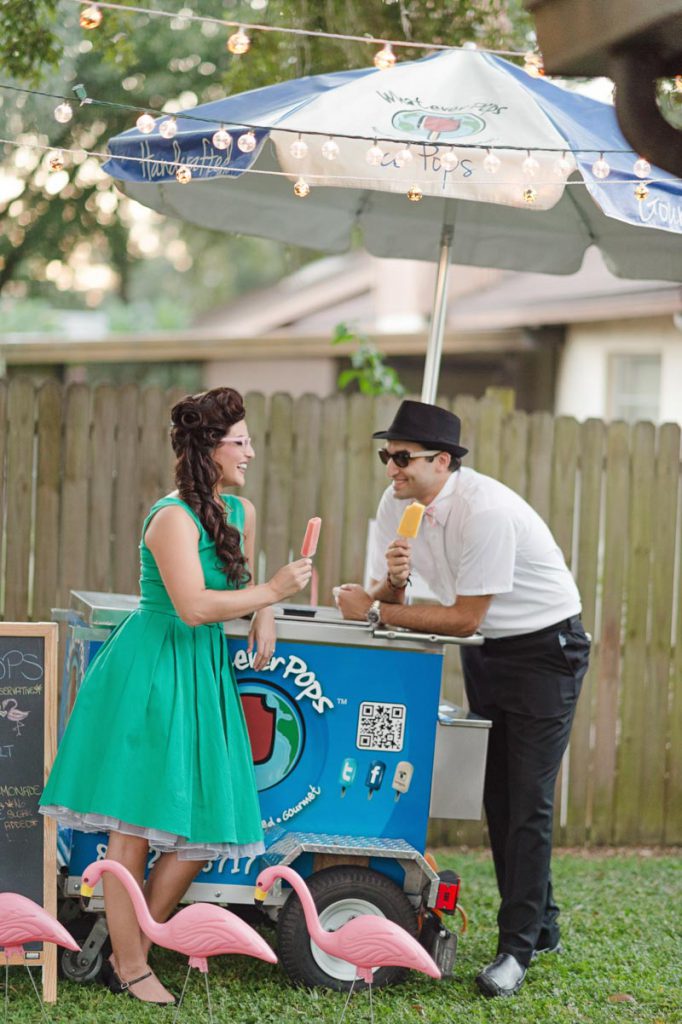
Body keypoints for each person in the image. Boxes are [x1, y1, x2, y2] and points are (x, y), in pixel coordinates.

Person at [40, 387, 312, 1005]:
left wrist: (266, 608)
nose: (251, 451)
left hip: (202, 674)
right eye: (240, 441)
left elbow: (235, 579)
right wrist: (271, 591)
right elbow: (192, 607)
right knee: (136, 823)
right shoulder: (170, 516)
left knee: (202, 821)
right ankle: (132, 965)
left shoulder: (233, 510)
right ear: (208, 448)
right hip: (154, 671)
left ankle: (124, 946)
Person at [336, 399, 590, 999]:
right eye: (386, 455)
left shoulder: (485, 511)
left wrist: (377, 608)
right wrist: (390, 585)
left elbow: (462, 615)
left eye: (402, 458)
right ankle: (542, 925)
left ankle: (516, 949)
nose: (390, 469)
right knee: (498, 795)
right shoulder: (397, 503)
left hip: (545, 651)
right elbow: (391, 594)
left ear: (442, 461)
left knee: (525, 798)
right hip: (487, 652)